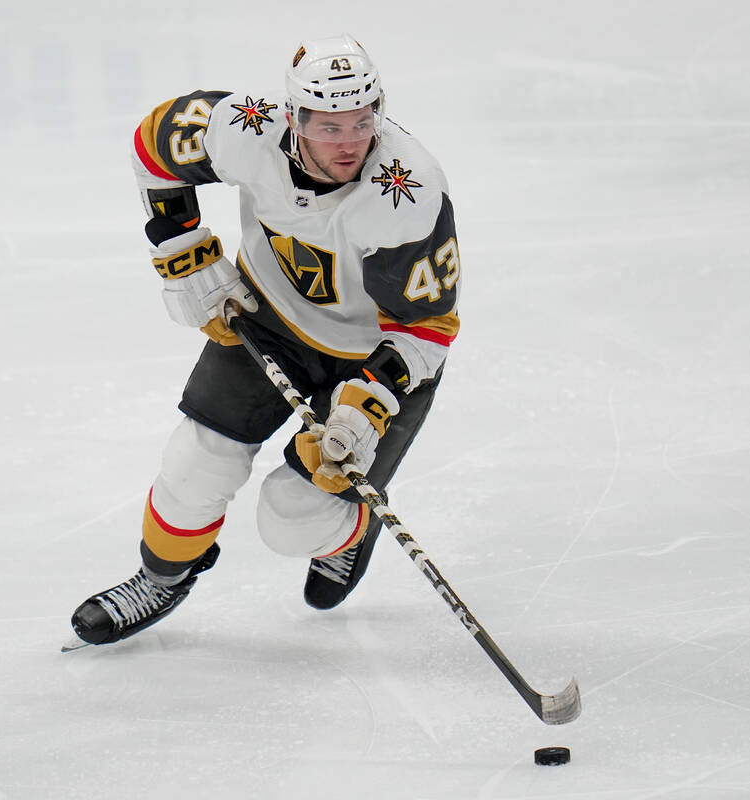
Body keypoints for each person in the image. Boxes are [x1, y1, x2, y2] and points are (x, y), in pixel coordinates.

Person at [69, 34, 461, 646]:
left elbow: (426, 327)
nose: (351, 141)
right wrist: (183, 251)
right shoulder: (244, 129)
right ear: (294, 117)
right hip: (269, 321)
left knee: (292, 518)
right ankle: (161, 578)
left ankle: (350, 527)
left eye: (363, 120)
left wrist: (367, 405)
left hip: (375, 361)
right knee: (196, 463)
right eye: (329, 126)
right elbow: (154, 144)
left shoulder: (405, 191)